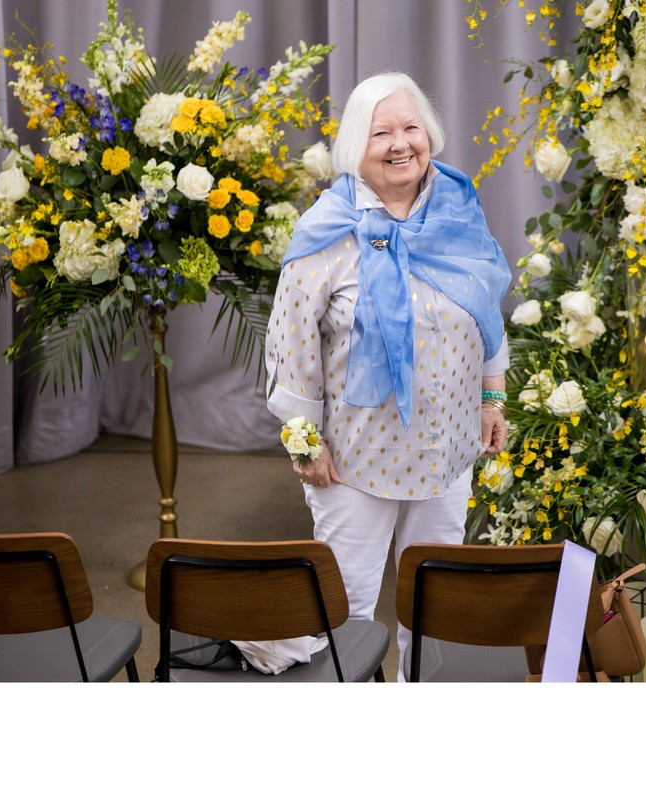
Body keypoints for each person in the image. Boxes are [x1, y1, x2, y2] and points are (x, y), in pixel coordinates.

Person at [264, 72, 512, 680]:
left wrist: (491, 397)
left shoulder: (456, 206)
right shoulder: (327, 228)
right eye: (382, 132)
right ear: (357, 145)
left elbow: (483, 307)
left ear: (429, 134)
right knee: (338, 611)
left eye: (411, 127)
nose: (401, 143)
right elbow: (289, 340)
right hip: (353, 457)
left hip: (446, 445)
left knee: (433, 605)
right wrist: (303, 438)